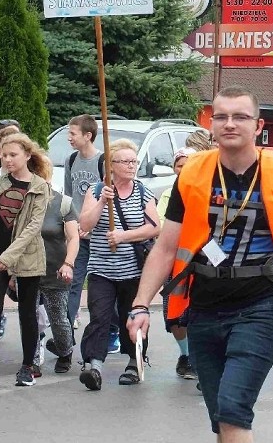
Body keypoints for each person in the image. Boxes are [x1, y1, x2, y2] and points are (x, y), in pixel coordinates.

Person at [128, 86, 273, 442]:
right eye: (221, 117)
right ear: (211, 123)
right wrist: (140, 304)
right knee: (221, 415)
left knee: (234, 409)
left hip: (259, 309)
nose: (229, 124)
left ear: (258, 125)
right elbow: (165, 248)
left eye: (240, 117)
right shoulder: (192, 174)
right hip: (204, 310)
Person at [0, 133, 50, 389]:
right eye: (4, 154)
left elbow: (33, 228)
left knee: (27, 312)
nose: (8, 159)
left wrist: (9, 257)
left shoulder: (39, 186)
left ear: (27, 155)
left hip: (26, 257)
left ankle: (28, 366)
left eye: (14, 154)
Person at [77, 139, 160, 390]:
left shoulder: (142, 191)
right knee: (99, 316)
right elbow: (85, 225)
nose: (131, 166)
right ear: (111, 166)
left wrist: (124, 236)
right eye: (125, 161)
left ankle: (135, 363)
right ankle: (94, 366)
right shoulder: (96, 190)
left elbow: (154, 227)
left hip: (133, 270)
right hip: (102, 268)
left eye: (134, 161)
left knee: (131, 317)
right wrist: (103, 201)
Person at [63, 114, 108, 339]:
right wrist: (71, 227)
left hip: (100, 236)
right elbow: (69, 197)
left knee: (105, 287)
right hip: (78, 236)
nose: (69, 137)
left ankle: (111, 331)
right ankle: (65, 333)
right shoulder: (71, 160)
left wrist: (91, 224)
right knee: (72, 282)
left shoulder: (102, 161)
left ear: (88, 135)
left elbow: (110, 200)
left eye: (73, 133)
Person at [155, 146, 198, 380]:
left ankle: (196, 358)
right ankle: (186, 354)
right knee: (173, 316)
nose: (184, 168)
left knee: (199, 314)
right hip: (175, 264)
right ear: (174, 168)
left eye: (189, 163)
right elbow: (163, 228)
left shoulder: (206, 191)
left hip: (202, 263)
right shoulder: (167, 195)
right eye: (180, 164)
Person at [39, 180, 80, 375]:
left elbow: (73, 237)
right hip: (27, 269)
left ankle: (65, 352)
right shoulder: (21, 201)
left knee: (58, 318)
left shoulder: (62, 203)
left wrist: (68, 263)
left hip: (55, 268)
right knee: (28, 317)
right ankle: (30, 356)